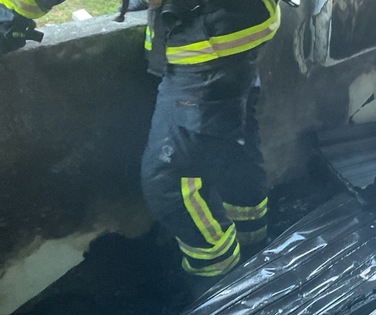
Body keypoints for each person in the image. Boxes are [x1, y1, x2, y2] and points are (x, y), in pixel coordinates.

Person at [0, 0, 281, 278]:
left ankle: (219, 279)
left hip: (206, 45)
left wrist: (14, 10)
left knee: (169, 181)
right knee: (235, 150)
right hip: (242, 29)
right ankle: (256, 249)